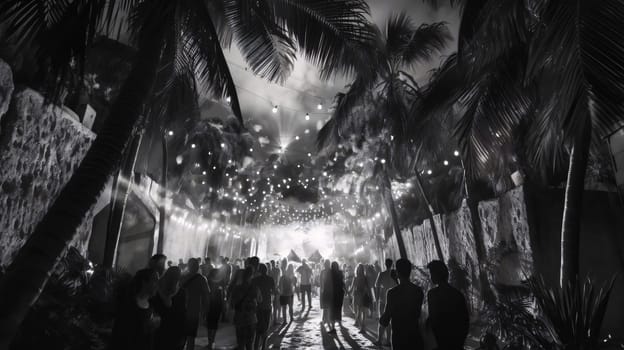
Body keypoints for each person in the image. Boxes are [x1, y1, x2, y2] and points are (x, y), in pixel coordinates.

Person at [379, 258, 425, 350]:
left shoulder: (392, 293)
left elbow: (385, 319)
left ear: (397, 273)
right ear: (409, 272)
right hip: (414, 336)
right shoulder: (418, 291)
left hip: (399, 337)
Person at [110, 268, 160, 350]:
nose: (158, 284)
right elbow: (121, 336)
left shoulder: (151, 305)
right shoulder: (129, 305)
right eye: (155, 280)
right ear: (144, 282)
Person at [426, 260, 470, 350]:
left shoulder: (432, 294)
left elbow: (433, 320)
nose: (430, 277)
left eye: (431, 274)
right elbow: (465, 321)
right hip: (456, 342)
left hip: (442, 342)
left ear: (436, 275)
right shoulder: (457, 294)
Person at [152, 267, 187, 350]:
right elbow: (182, 314)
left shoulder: (156, 290)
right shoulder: (182, 292)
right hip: (174, 330)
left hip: (159, 328)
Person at [182, 258, 211, 350]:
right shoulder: (202, 279)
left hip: (181, 310)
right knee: (191, 337)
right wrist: (205, 311)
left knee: (181, 336)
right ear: (198, 266)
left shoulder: (182, 277)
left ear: (188, 266)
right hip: (194, 311)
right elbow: (206, 296)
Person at [231, 266, 261, 350]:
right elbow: (260, 300)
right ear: (252, 275)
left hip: (239, 318)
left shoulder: (237, 289)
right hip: (251, 318)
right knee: (249, 344)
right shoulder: (255, 288)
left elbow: (232, 304)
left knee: (240, 343)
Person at [252, 263, 275, 350]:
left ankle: (255, 347)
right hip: (267, 306)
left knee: (258, 329)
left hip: (258, 306)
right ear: (267, 270)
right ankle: (263, 347)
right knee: (265, 328)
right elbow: (274, 291)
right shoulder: (270, 279)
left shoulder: (255, 280)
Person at [375, 258, 398, 345]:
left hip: (383, 300)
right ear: (392, 264)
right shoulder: (395, 274)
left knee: (382, 320)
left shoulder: (381, 274)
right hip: (394, 301)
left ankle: (380, 340)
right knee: (391, 321)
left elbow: (377, 287)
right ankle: (388, 341)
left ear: (385, 264)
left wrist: (376, 299)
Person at [351, 263, 374, 333]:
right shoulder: (363, 277)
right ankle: (362, 326)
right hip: (361, 296)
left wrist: (348, 293)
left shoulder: (357, 278)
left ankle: (362, 327)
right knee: (361, 312)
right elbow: (369, 288)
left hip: (360, 296)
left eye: (360, 269)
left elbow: (353, 287)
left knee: (360, 312)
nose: (359, 270)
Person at [206, 269, 224, 349]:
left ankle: (210, 341)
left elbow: (206, 294)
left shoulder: (208, 281)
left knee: (209, 324)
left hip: (209, 304)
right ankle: (212, 341)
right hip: (218, 305)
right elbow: (222, 294)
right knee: (215, 324)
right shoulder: (221, 282)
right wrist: (223, 305)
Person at [328, 261, 345, 333]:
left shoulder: (330, 273)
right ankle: (340, 324)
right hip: (340, 293)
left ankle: (333, 328)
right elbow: (342, 283)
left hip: (333, 293)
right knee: (338, 309)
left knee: (332, 310)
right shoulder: (340, 273)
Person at [319, 259, 332, 327]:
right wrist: (321, 289)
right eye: (326, 264)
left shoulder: (331, 271)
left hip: (329, 290)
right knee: (325, 305)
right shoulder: (322, 272)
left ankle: (327, 319)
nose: (326, 265)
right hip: (324, 290)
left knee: (328, 305)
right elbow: (320, 281)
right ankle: (324, 318)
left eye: (327, 263)